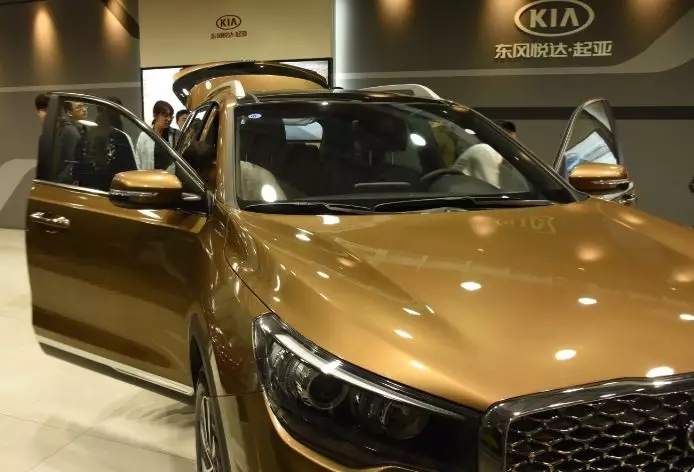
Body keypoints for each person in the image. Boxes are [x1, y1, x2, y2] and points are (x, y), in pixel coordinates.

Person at [134, 100, 180, 172]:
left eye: (170, 116)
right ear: (155, 115)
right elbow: (138, 161)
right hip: (149, 177)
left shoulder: (175, 136)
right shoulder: (144, 136)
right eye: (165, 115)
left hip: (169, 177)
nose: (168, 119)